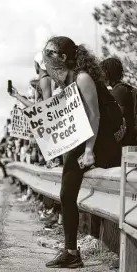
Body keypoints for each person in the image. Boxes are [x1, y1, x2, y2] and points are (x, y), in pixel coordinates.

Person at [42, 36, 121, 269]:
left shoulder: (82, 78)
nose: (46, 57)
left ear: (63, 57)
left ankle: (72, 252)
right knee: (67, 195)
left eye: (50, 53)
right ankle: (71, 251)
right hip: (86, 139)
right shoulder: (66, 82)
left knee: (68, 193)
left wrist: (88, 151)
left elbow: (94, 116)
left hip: (98, 141)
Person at [101, 57, 137, 146]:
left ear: (107, 72)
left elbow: (115, 118)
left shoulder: (118, 90)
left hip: (128, 143)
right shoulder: (123, 88)